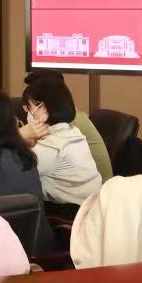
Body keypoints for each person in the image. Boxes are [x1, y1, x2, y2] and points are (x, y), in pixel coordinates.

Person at [22, 73, 102, 210]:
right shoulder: (71, 131)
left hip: (71, 215)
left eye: (29, 108)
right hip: (91, 208)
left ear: (43, 108)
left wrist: (18, 136)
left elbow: (10, 168)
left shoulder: (54, 146)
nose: (28, 113)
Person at [22, 69, 112, 180]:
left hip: (100, 185)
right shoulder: (67, 120)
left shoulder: (68, 125)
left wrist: (19, 137)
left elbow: (19, 167)